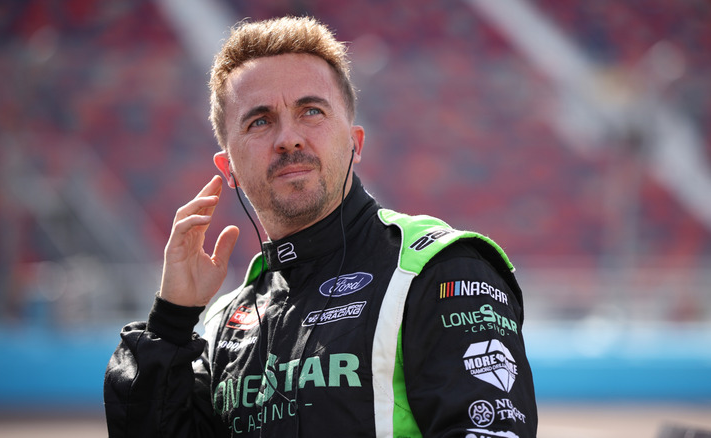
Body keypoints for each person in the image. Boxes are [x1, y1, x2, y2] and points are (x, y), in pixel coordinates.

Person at [104, 15, 537, 437]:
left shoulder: (436, 271)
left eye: (311, 111)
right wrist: (172, 320)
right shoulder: (223, 323)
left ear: (355, 143)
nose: (288, 138)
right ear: (228, 167)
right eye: (259, 121)